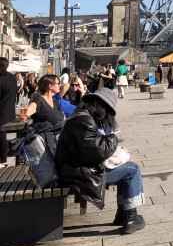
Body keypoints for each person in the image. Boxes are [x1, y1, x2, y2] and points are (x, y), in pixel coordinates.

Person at [55, 87, 146, 234]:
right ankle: (131, 217)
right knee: (132, 170)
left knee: (126, 167)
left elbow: (91, 149)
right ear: (101, 106)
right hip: (79, 176)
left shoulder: (78, 116)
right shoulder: (85, 121)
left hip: (74, 170)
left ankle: (123, 214)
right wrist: (113, 137)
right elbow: (99, 151)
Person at [0, 57, 17, 169]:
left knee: (1, 136)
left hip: (1, 112)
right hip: (10, 112)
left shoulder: (0, 79)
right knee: (2, 136)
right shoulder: (12, 78)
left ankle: (3, 159)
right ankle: (3, 159)